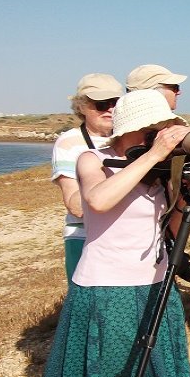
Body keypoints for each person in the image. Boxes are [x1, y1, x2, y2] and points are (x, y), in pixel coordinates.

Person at [32, 90, 190, 377]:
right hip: (104, 286)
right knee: (104, 370)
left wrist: (184, 193)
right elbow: (98, 201)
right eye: (152, 129)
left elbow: (173, 230)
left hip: (154, 282)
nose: (161, 135)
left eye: (163, 129)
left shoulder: (161, 168)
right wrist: (153, 156)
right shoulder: (94, 160)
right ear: (131, 130)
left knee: (152, 367)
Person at [51, 73, 124, 280]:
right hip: (85, 236)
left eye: (116, 102)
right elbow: (74, 204)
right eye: (101, 104)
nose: (110, 109)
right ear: (81, 106)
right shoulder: (69, 142)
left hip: (128, 234)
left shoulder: (131, 136)